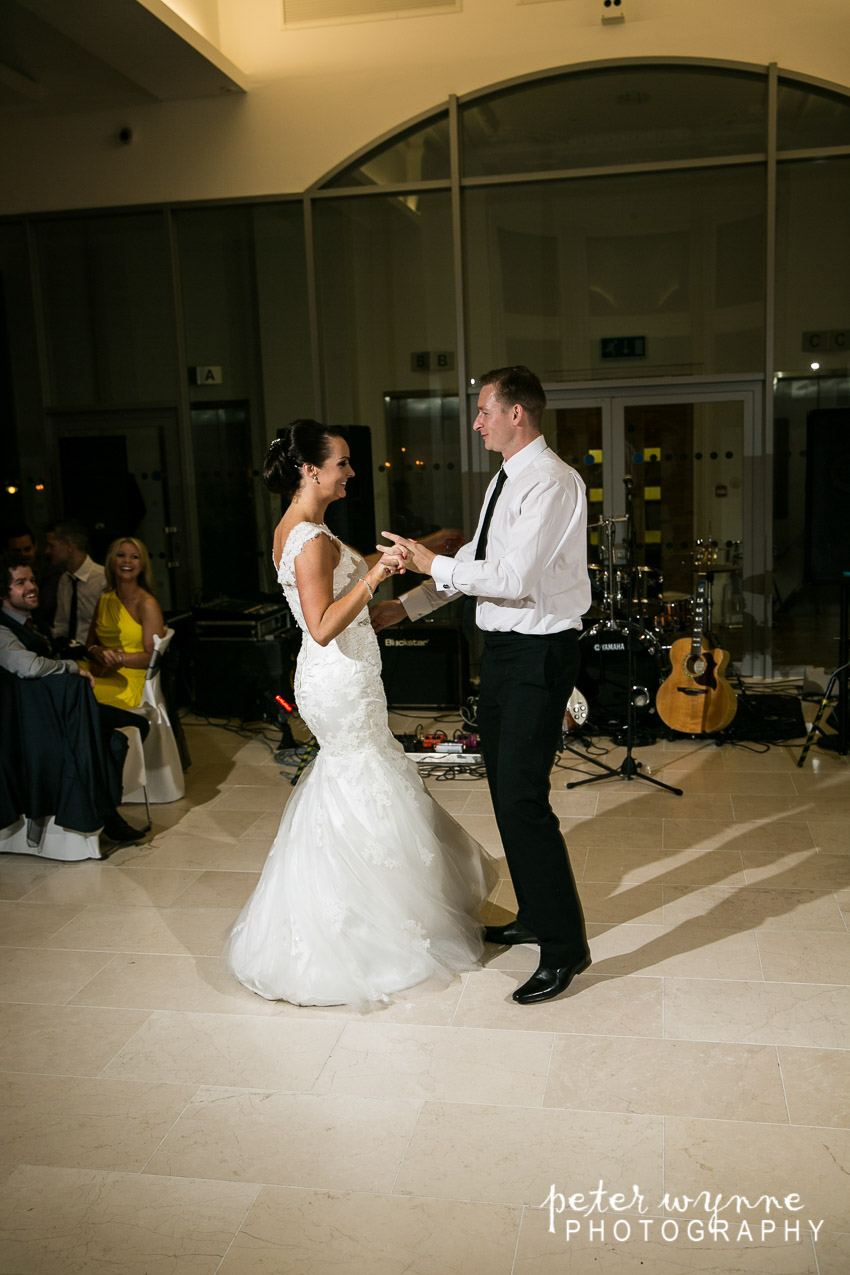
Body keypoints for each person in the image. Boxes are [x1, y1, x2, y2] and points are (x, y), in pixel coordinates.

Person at [226, 420, 496, 1008]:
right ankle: (368, 931)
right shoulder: (310, 538)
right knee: (363, 780)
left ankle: (366, 909)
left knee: (357, 782)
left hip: (342, 677)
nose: (351, 472)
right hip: (337, 678)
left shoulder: (305, 531)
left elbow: (354, 613)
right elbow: (323, 625)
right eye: (343, 463)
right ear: (310, 469)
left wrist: (405, 565)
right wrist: (376, 572)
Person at [377, 365, 591, 1005]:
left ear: (516, 413)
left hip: (539, 652)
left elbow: (515, 576)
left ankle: (565, 948)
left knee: (525, 799)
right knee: (502, 787)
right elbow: (478, 565)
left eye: (484, 411)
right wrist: (406, 607)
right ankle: (535, 911)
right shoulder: (505, 477)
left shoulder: (551, 482)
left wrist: (425, 559)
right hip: (502, 651)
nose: (477, 422)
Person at [0, 553, 147, 844]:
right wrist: (71, 668)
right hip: (31, 728)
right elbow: (28, 666)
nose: (31, 586)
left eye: (32, 579)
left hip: (60, 712)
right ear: (3, 593)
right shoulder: (2, 629)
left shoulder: (31, 620)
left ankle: (106, 809)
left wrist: (86, 652)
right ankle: (107, 816)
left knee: (137, 725)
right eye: (20, 583)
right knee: (113, 743)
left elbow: (54, 647)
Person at [83, 537, 165, 709]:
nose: (127, 561)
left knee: (76, 690)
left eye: (135, 557)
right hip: (101, 669)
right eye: (121, 555)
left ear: (142, 565)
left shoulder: (147, 604)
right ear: (112, 561)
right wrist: (97, 651)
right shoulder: (104, 599)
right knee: (62, 674)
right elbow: (89, 643)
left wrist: (117, 658)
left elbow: (153, 656)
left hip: (132, 682)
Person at [47, 519, 106, 649]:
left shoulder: (103, 579)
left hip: (97, 655)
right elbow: (61, 623)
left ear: (69, 546)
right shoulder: (65, 580)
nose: (47, 551)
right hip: (69, 656)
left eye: (52, 546)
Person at [5, 522, 62, 626]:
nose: (23, 555)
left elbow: (46, 607)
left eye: (32, 580)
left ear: (35, 546)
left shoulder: (51, 572)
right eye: (20, 582)